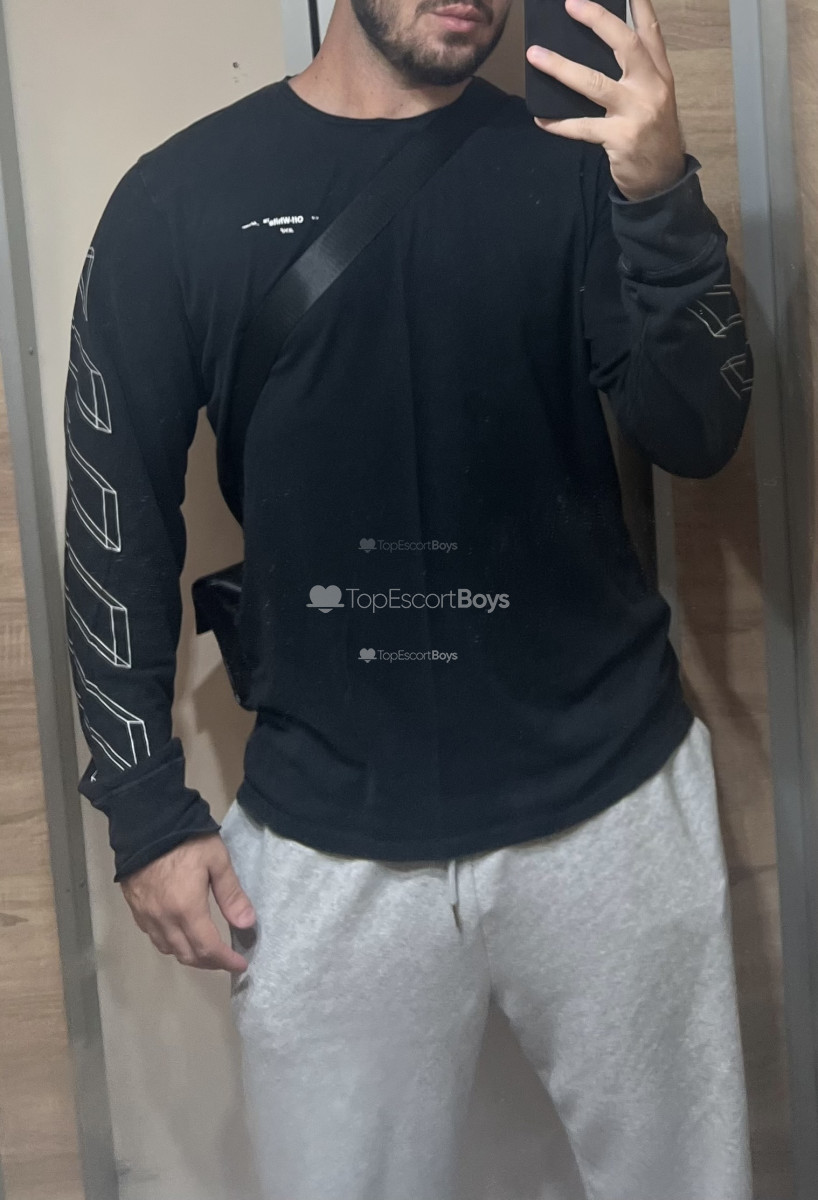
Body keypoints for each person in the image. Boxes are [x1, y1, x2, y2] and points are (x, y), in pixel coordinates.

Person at [61, 0, 755, 1195]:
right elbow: (111, 518)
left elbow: (696, 431)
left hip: (612, 809)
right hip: (325, 838)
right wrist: (143, 809)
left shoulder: (573, 164)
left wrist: (657, 194)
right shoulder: (176, 200)